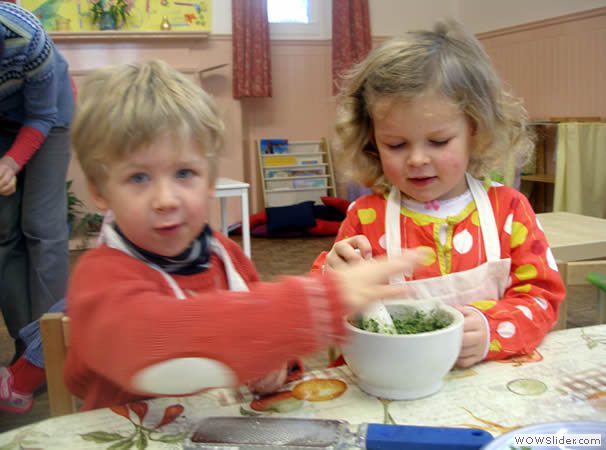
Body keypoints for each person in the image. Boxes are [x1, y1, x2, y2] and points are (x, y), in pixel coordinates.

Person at [64, 60, 423, 411]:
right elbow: (152, 343)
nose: (165, 199)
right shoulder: (99, 277)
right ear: (100, 190)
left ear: (210, 181)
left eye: (184, 173)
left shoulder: (225, 255)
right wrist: (313, 305)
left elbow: (262, 337)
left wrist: (276, 365)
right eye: (138, 178)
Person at [312, 20, 566, 369]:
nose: (417, 159)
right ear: (371, 141)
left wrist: (492, 330)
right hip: (392, 376)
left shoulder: (508, 210)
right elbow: (321, 311)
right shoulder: (365, 217)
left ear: (476, 131)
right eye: (396, 144)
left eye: (439, 141)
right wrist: (333, 279)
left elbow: (541, 297)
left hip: (481, 382)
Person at [0, 2, 74, 362]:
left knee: (42, 228)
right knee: (3, 233)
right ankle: (25, 347)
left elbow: (42, 115)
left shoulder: (27, 35)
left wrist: (11, 162)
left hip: (50, 115)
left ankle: (51, 350)